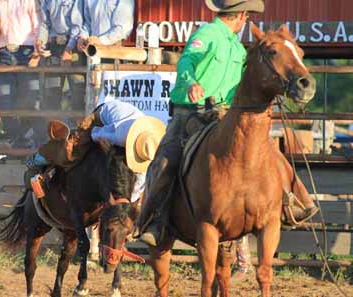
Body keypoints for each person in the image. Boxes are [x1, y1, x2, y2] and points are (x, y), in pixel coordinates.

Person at [136, 0, 318, 248]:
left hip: (224, 114)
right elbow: (186, 61)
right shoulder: (206, 34)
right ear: (241, 15)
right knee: (167, 160)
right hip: (190, 113)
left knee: (266, 150)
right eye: (248, 16)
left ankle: (296, 201)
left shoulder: (238, 48)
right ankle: (153, 221)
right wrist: (190, 82)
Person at [26, 99, 166, 203]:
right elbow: (96, 134)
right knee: (72, 151)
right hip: (101, 117)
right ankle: (38, 159)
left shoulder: (150, 149)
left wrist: (127, 202)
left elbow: (140, 180)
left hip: (121, 119)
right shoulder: (120, 136)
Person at [0, 0, 45, 148]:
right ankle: (19, 140)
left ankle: (35, 143)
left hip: (27, 52)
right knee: (5, 103)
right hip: (4, 52)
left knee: (31, 101)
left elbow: (38, 25)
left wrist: (37, 53)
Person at [40, 0, 85, 114]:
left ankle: (79, 128)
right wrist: (40, 40)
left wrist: (68, 49)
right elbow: (45, 23)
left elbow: (78, 25)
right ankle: (54, 129)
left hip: (74, 47)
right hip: (54, 46)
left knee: (78, 91)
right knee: (51, 92)